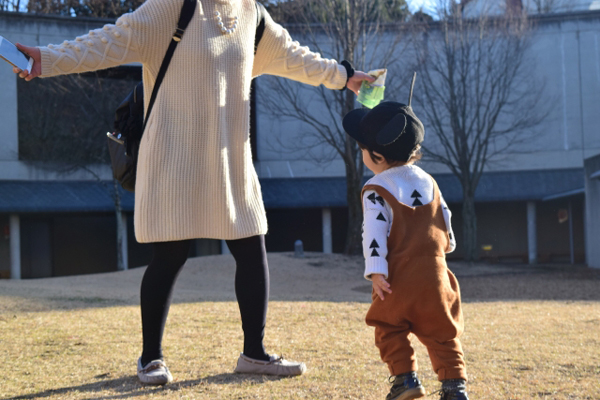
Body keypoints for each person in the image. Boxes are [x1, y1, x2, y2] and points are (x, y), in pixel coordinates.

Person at [13, 0, 374, 385]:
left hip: (228, 157)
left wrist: (343, 75)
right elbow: (106, 43)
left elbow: (294, 56)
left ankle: (255, 353)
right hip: (173, 155)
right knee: (169, 255)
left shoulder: (251, 14)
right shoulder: (169, 8)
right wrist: (45, 59)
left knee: (252, 248)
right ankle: (150, 359)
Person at [342, 81, 470, 399]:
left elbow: (373, 231)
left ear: (376, 155)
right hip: (436, 275)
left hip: (399, 276)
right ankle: (454, 386)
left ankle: (405, 380)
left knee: (388, 325)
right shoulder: (429, 181)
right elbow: (446, 223)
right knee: (443, 332)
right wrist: (443, 252)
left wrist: (376, 271)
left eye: (362, 150)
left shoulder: (377, 186)